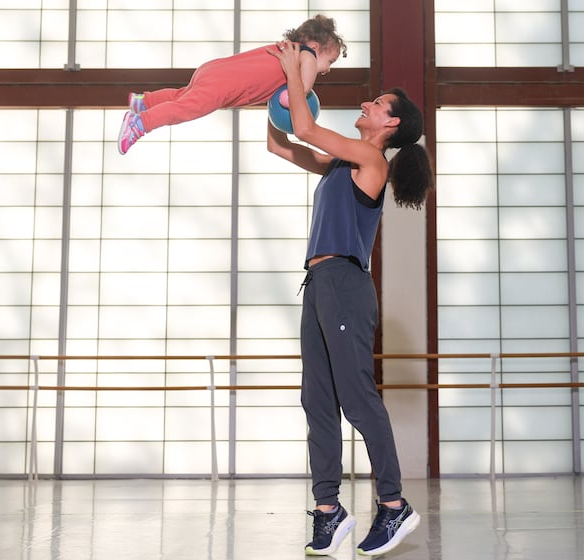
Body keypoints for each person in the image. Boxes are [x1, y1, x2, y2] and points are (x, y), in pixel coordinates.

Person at [266, 40, 434, 557]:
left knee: (358, 399)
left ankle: (392, 505)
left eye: (376, 104)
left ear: (390, 125)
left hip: (345, 285)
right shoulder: (342, 166)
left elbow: (308, 128)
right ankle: (328, 510)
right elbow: (283, 144)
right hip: (317, 286)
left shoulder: (369, 160)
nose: (366, 105)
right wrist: (272, 96)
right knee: (316, 401)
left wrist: (301, 71)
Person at [117, 14, 346, 155]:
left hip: (215, 70)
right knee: (187, 108)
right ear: (315, 48)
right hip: (226, 84)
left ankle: (144, 101)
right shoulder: (305, 54)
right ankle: (141, 123)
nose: (327, 69)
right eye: (330, 61)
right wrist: (299, 98)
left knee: (183, 96)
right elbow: (302, 89)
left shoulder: (286, 50)